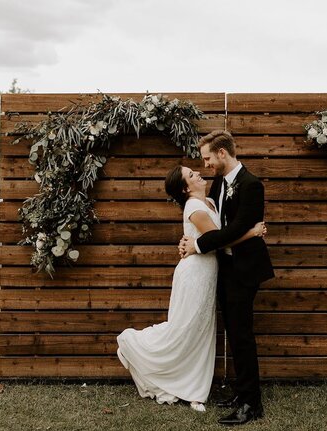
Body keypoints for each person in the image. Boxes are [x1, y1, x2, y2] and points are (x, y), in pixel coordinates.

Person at [116, 164, 266, 412]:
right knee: (184, 328)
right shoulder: (194, 207)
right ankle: (138, 348)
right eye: (191, 175)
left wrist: (195, 242)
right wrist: (252, 232)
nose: (198, 173)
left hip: (209, 275)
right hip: (194, 274)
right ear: (186, 188)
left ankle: (194, 388)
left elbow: (217, 234)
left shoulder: (209, 200)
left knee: (200, 331)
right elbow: (220, 239)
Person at [179, 130, 274, 426]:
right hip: (226, 268)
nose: (205, 164)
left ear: (222, 153)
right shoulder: (219, 182)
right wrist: (192, 239)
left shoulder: (251, 185)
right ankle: (241, 391)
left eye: (207, 158)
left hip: (245, 269)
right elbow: (215, 225)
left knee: (242, 335)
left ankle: (251, 404)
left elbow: (234, 231)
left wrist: (196, 246)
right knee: (233, 332)